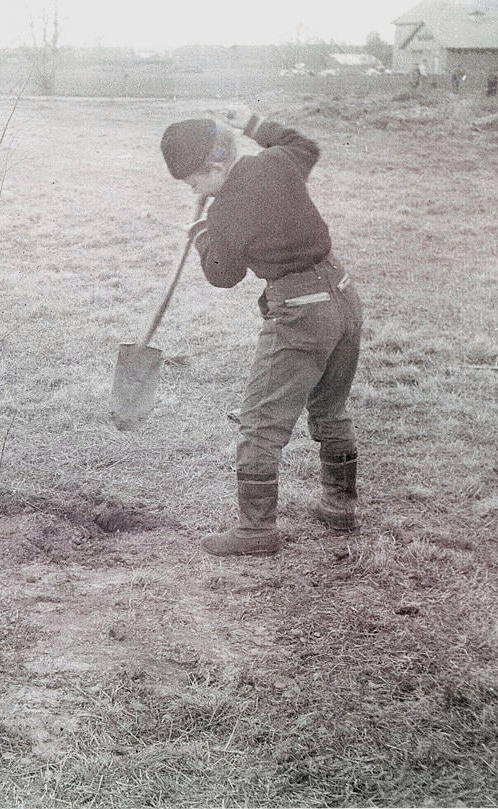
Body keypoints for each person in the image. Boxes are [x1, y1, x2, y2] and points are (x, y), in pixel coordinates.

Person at [159, 107, 364, 557]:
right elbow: (304, 146)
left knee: (259, 423)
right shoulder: (275, 161)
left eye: (193, 182)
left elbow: (222, 275)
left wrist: (202, 236)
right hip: (343, 296)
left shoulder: (225, 210)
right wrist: (255, 125)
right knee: (331, 408)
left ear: (213, 168)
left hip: (300, 312)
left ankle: (255, 532)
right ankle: (340, 506)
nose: (193, 190)